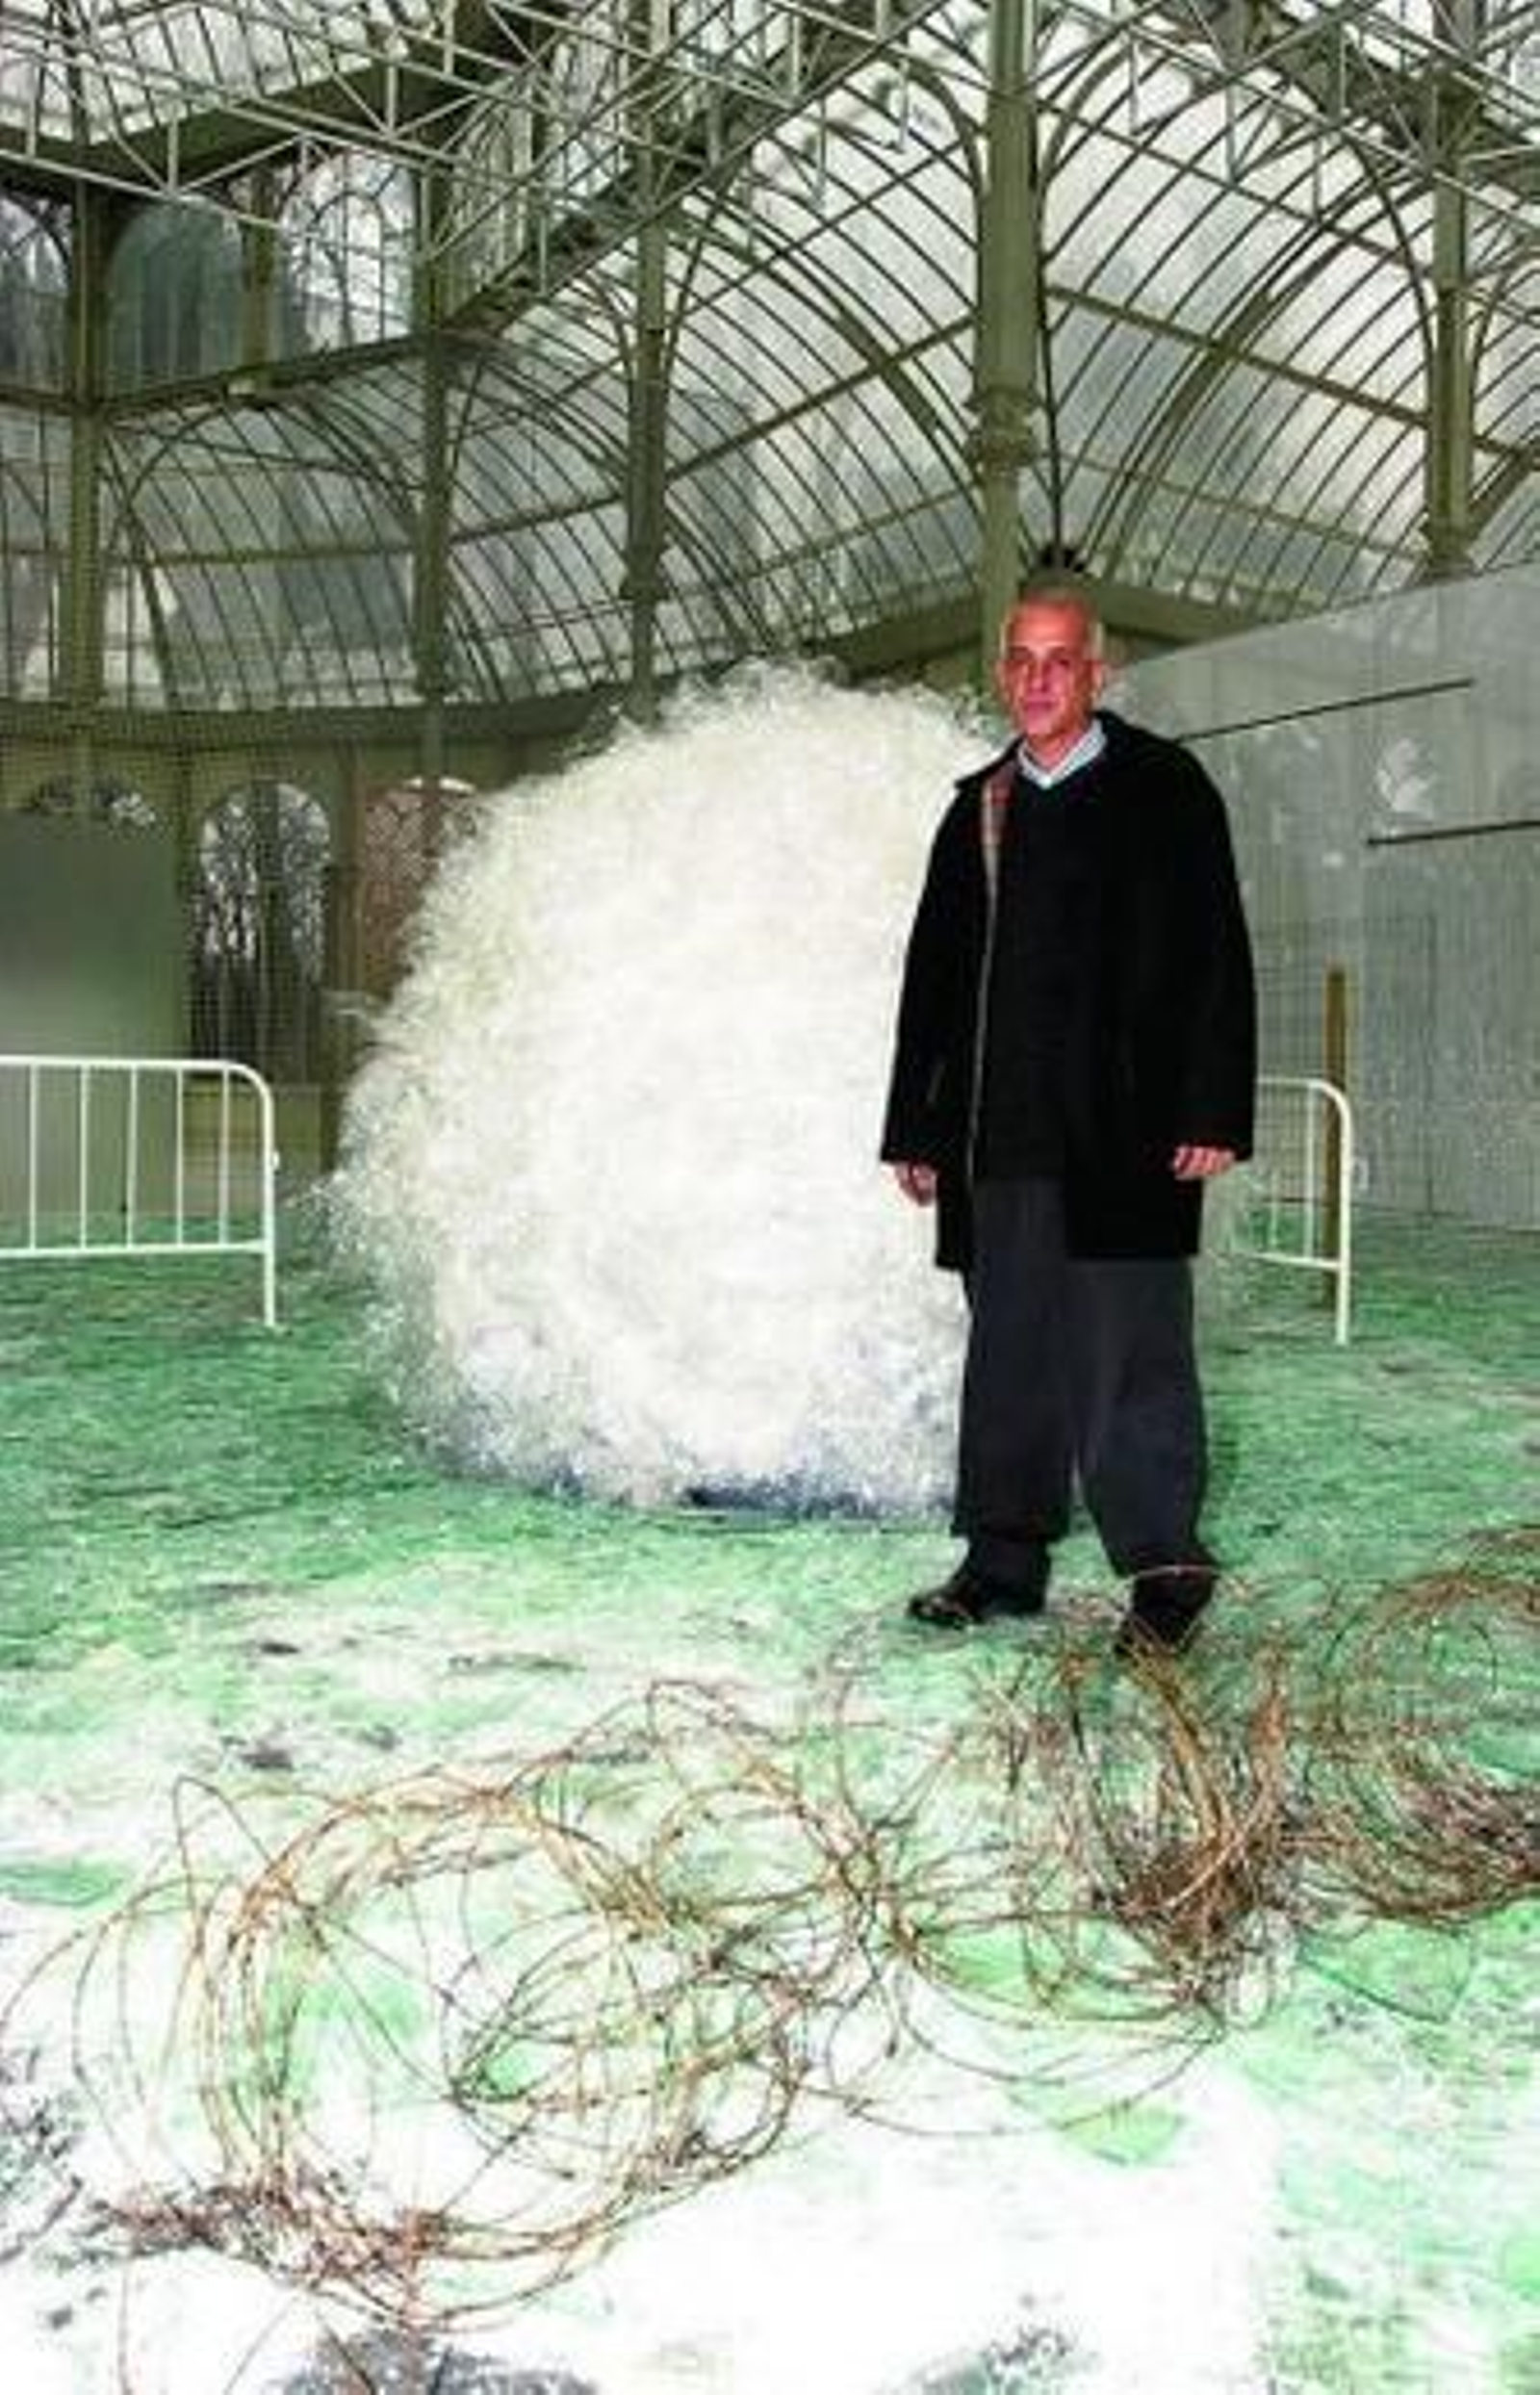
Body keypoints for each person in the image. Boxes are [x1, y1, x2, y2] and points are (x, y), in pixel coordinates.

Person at [881, 585, 1256, 1655]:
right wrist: (916, 1123)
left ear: (1099, 674)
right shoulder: (979, 810)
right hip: (1000, 1140)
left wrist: (1208, 1108)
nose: (1038, 679)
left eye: (1060, 660)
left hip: (1127, 1139)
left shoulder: (1165, 790)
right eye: (1020, 660)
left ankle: (1167, 1567)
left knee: (1132, 1353)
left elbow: (1213, 960)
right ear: (1003, 674)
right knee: (1010, 1350)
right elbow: (933, 981)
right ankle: (1002, 1560)